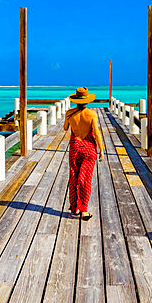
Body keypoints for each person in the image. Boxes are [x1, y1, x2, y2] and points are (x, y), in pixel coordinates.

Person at [62, 87, 104, 220]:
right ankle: (84, 210)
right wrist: (101, 150)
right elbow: (97, 133)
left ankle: (75, 208)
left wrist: (69, 117)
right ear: (87, 101)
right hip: (89, 148)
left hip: (75, 147)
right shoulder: (92, 114)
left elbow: (65, 128)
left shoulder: (69, 113)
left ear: (75, 100)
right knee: (85, 178)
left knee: (74, 176)